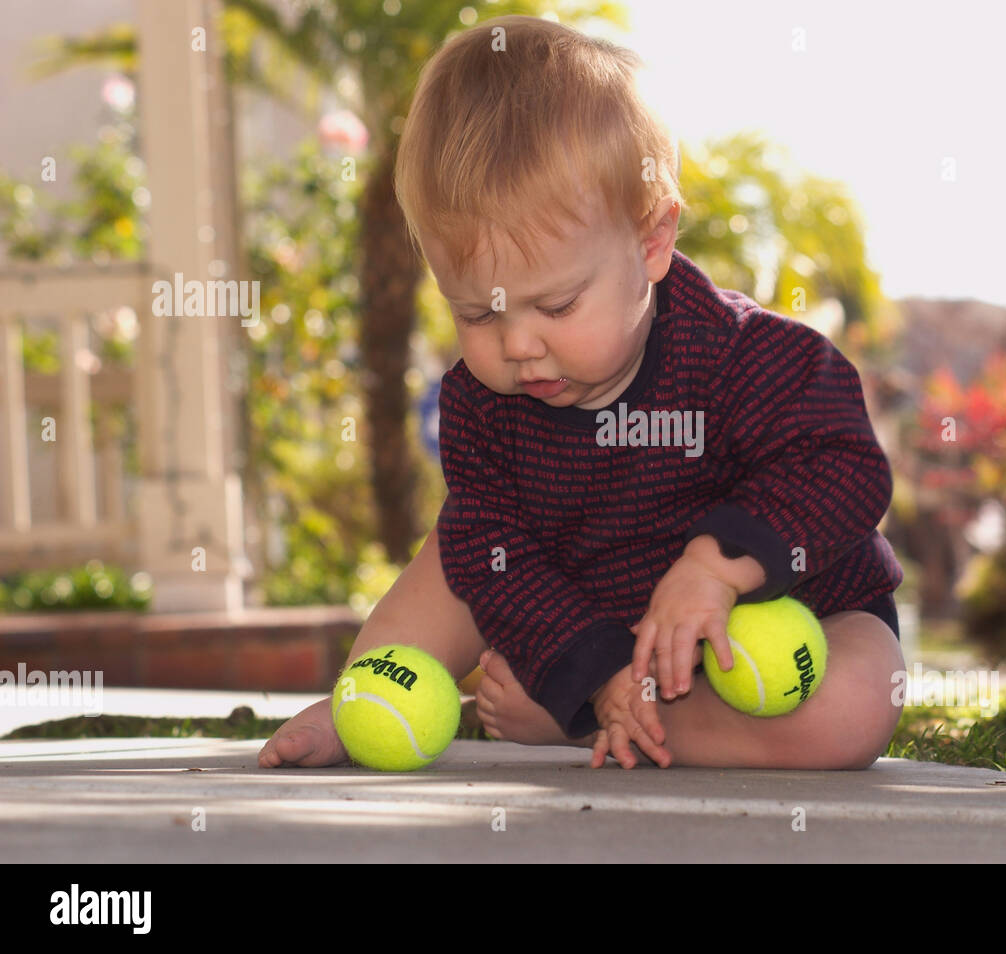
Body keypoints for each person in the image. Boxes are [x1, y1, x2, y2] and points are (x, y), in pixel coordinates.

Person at [258, 13, 904, 772]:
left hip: (777, 615)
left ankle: (596, 724)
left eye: (557, 306)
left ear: (652, 243)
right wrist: (595, 673)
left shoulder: (749, 357)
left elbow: (846, 468)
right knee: (465, 547)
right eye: (477, 312)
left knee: (859, 701)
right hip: (588, 608)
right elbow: (497, 558)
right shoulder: (483, 406)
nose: (518, 344)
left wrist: (718, 566)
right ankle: (368, 700)